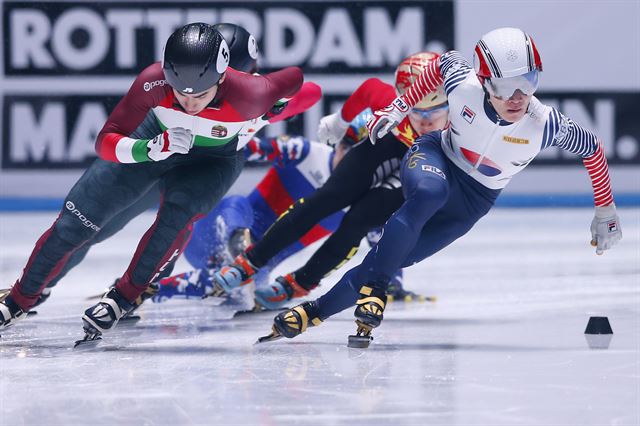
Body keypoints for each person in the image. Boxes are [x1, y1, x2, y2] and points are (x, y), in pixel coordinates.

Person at [256, 27, 623, 347]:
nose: (517, 98)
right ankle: (378, 289)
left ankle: (313, 312)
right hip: (436, 155)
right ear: (483, 80)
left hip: (475, 198)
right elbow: (441, 63)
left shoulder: (545, 124)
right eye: (505, 86)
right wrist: (399, 109)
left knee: (395, 256)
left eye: (528, 83)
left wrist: (605, 210)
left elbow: (592, 148)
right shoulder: (462, 84)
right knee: (429, 194)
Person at [0, 22, 304, 342]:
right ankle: (19, 299)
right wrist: (150, 147)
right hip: (156, 143)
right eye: (178, 90)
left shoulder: (254, 93)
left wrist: (279, 105)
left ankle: (125, 294)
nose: (189, 103)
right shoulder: (153, 81)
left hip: (211, 162)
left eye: (200, 94)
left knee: (175, 218)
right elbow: (106, 141)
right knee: (79, 220)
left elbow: (297, 79)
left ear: (226, 76)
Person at [209, 52, 449, 310]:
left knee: (359, 220)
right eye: (416, 111)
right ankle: (251, 260)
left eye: (435, 111)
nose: (425, 121)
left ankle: (302, 281)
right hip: (392, 145)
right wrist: (340, 123)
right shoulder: (389, 101)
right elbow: (368, 90)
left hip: (429, 163)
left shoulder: (465, 124)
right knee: (325, 199)